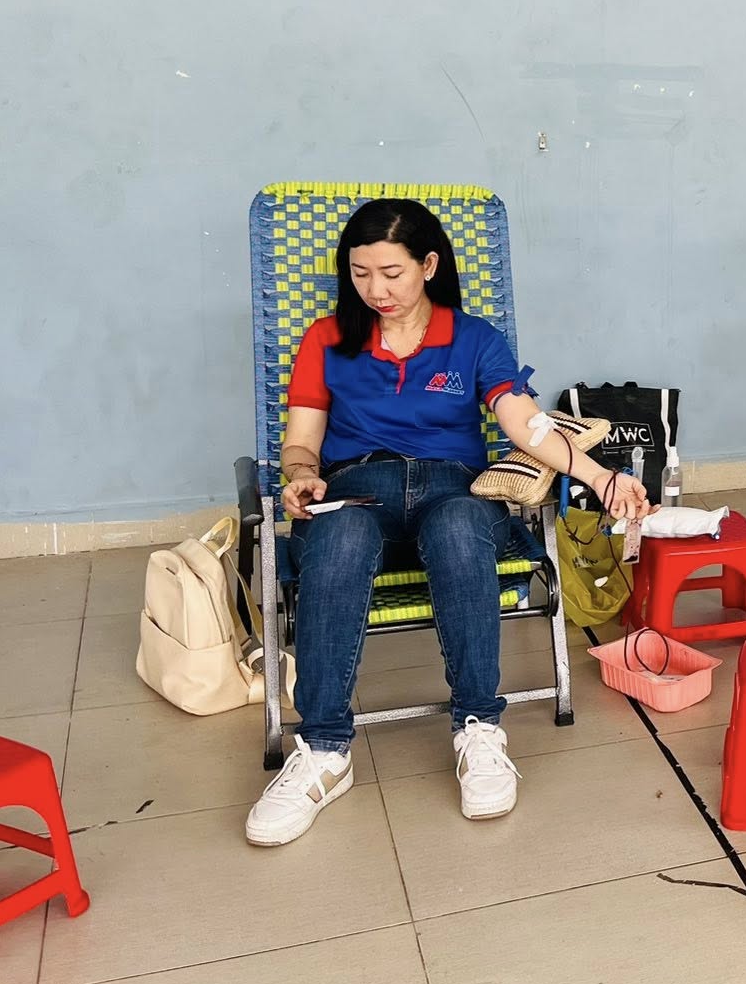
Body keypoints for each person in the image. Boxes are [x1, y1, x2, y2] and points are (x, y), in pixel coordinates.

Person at [247, 199, 655, 846]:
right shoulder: (326, 340)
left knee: (461, 531)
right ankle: (324, 750)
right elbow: (301, 443)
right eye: (360, 273)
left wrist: (600, 477)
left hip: (454, 487)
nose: (375, 290)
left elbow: (526, 425)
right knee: (340, 539)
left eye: (392, 273)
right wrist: (300, 475)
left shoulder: (473, 338)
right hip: (356, 488)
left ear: (429, 265)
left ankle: (479, 730)